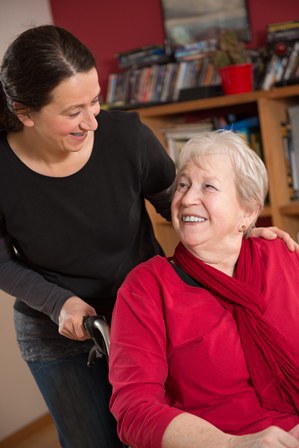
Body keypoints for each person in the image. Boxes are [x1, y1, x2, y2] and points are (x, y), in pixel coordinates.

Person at [0, 25, 296, 448]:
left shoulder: (124, 136)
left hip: (142, 307)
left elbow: (177, 199)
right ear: (25, 112)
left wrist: (240, 231)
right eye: (72, 112)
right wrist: (57, 302)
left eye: (96, 101)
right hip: (59, 325)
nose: (92, 121)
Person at [109, 130, 299, 448]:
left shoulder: (282, 255)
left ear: (248, 212)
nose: (186, 198)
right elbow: (135, 411)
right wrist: (232, 444)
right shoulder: (146, 287)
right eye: (182, 185)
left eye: (207, 186)